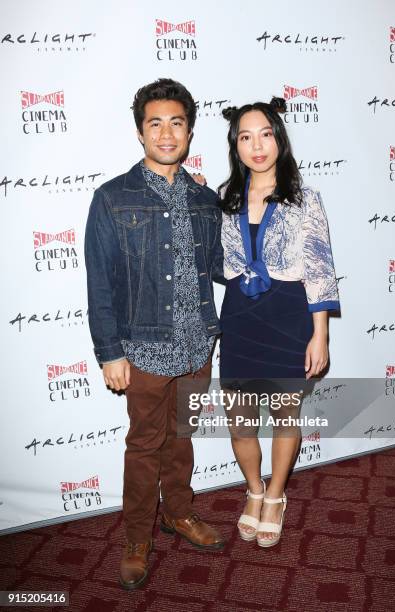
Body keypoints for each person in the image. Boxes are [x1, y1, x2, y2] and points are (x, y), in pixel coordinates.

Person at [84, 78, 225, 591]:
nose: (167, 133)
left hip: (196, 346)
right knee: (145, 446)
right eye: (155, 123)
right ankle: (137, 537)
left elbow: (222, 268)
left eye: (177, 122)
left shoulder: (207, 200)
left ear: (189, 130)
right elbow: (99, 281)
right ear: (141, 132)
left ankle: (179, 514)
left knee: (182, 438)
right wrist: (109, 352)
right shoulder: (112, 198)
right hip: (142, 348)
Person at [218, 97, 340, 547]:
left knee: (287, 415)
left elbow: (320, 268)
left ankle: (275, 496)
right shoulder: (224, 199)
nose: (257, 145)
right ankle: (252, 490)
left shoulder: (306, 199)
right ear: (236, 145)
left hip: (288, 315)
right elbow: (215, 260)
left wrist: (320, 334)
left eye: (265, 134)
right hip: (240, 318)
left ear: (279, 138)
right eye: (245, 137)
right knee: (240, 419)